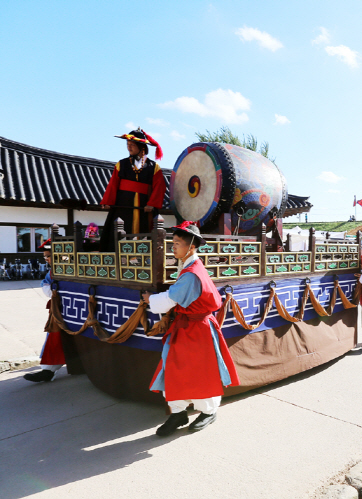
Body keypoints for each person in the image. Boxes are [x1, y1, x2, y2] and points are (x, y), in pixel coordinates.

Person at [144, 222, 240, 436]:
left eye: (177, 243)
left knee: (200, 371)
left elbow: (170, 299)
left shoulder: (191, 274)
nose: (173, 247)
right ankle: (178, 412)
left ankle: (209, 411)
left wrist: (150, 298)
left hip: (197, 330)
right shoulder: (190, 268)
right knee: (176, 368)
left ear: (191, 247)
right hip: (188, 327)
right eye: (173, 243)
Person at [100, 128, 166, 251]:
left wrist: (152, 204)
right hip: (123, 205)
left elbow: (159, 187)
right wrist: (108, 201)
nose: (129, 147)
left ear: (141, 147)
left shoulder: (153, 167)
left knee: (144, 229)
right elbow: (113, 184)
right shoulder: (121, 164)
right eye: (128, 145)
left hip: (144, 206)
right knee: (121, 228)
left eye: (132, 145)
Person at [24, 240, 67, 382]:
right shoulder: (53, 270)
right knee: (55, 336)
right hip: (60, 309)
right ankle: (48, 371)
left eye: (48, 256)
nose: (46, 259)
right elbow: (45, 282)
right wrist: (51, 291)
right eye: (45, 257)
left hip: (73, 309)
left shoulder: (70, 268)